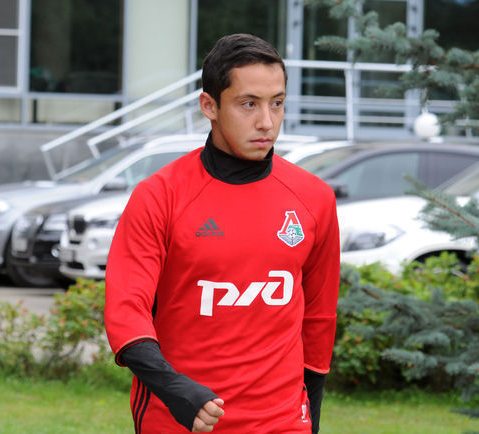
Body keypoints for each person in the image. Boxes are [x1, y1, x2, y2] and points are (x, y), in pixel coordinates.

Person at [104, 33, 340, 433]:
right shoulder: (160, 196)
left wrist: (310, 420)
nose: (267, 122)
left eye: (277, 103)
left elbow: (318, 321)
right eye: (249, 104)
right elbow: (126, 312)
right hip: (182, 418)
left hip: (283, 422)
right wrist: (173, 388)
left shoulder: (314, 198)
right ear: (209, 106)